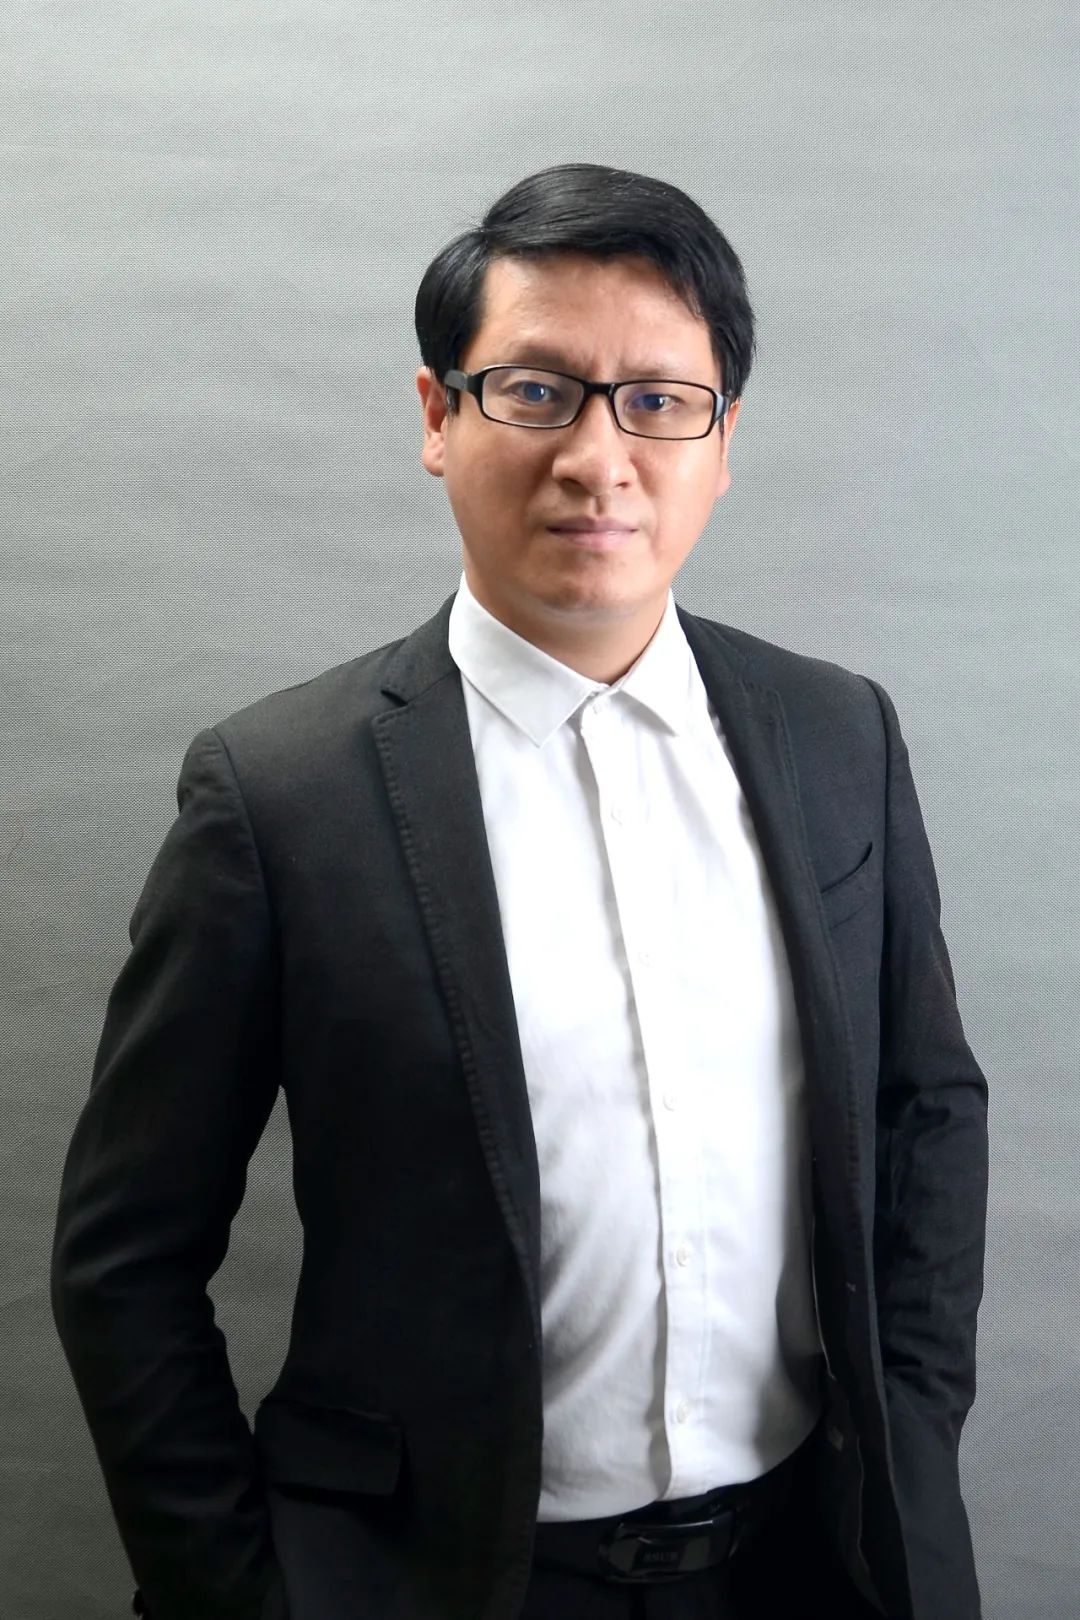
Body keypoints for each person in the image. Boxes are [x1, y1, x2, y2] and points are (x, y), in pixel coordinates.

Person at [51, 162, 989, 1620]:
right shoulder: (277, 793)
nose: (599, 457)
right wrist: (233, 1591)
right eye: (537, 392)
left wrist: (910, 1447)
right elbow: (126, 1255)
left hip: (811, 1564)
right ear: (439, 416)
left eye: (659, 401)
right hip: (438, 1580)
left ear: (723, 441)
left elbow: (927, 1112)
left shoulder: (836, 736)